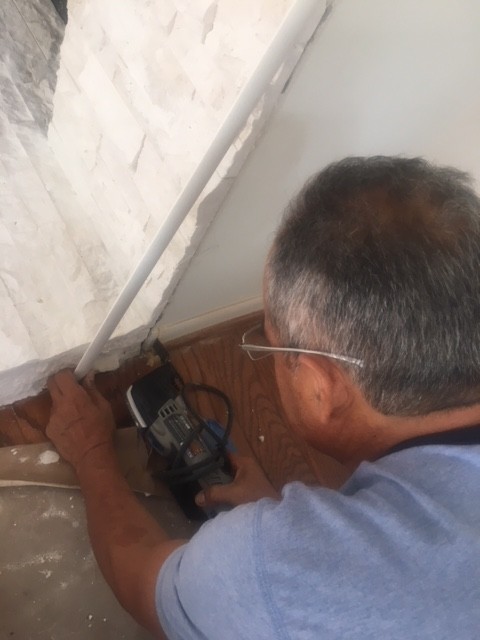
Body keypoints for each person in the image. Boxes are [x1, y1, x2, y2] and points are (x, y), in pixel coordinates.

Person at [46, 156, 480, 639]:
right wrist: (300, 534)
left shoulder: (273, 572)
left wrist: (89, 453)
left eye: (269, 343)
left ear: (321, 387)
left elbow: (144, 582)